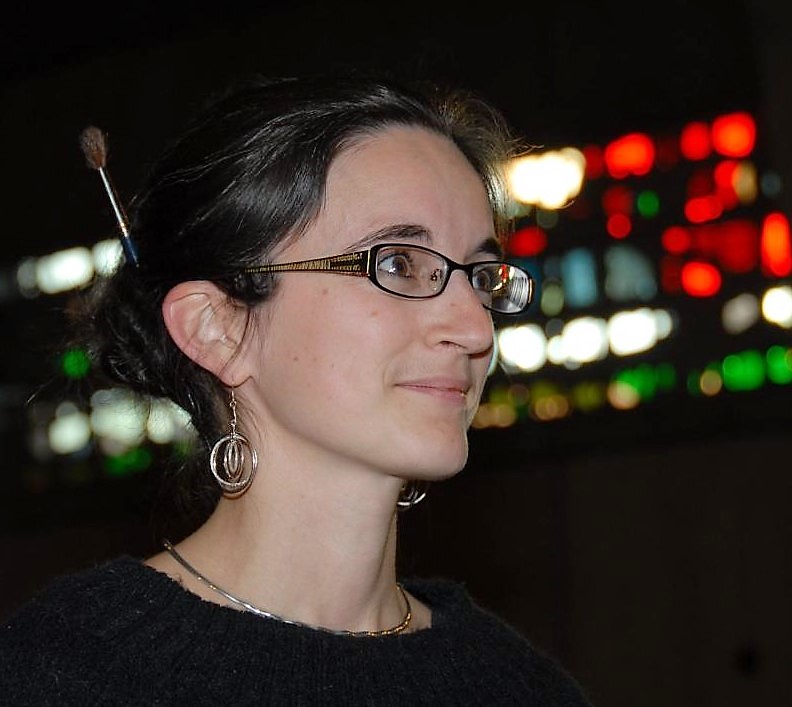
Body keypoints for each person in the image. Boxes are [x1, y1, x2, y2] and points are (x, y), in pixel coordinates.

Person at [0, 73, 592, 705]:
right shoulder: (64, 674)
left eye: (479, 275)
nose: (475, 328)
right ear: (218, 329)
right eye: (397, 264)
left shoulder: (522, 689)